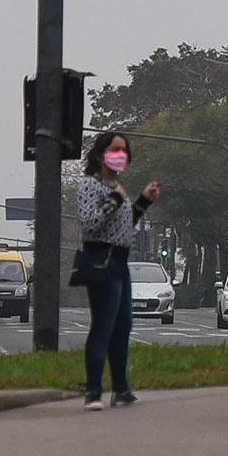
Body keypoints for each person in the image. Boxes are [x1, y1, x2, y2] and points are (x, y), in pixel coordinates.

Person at [73, 130, 159, 411]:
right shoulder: (90, 186)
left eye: (124, 151)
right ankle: (93, 390)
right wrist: (116, 200)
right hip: (101, 259)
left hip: (120, 261)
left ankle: (121, 389)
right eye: (115, 150)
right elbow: (90, 224)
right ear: (100, 154)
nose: (120, 156)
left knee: (123, 326)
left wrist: (143, 202)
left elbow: (123, 226)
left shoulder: (118, 187)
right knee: (103, 325)